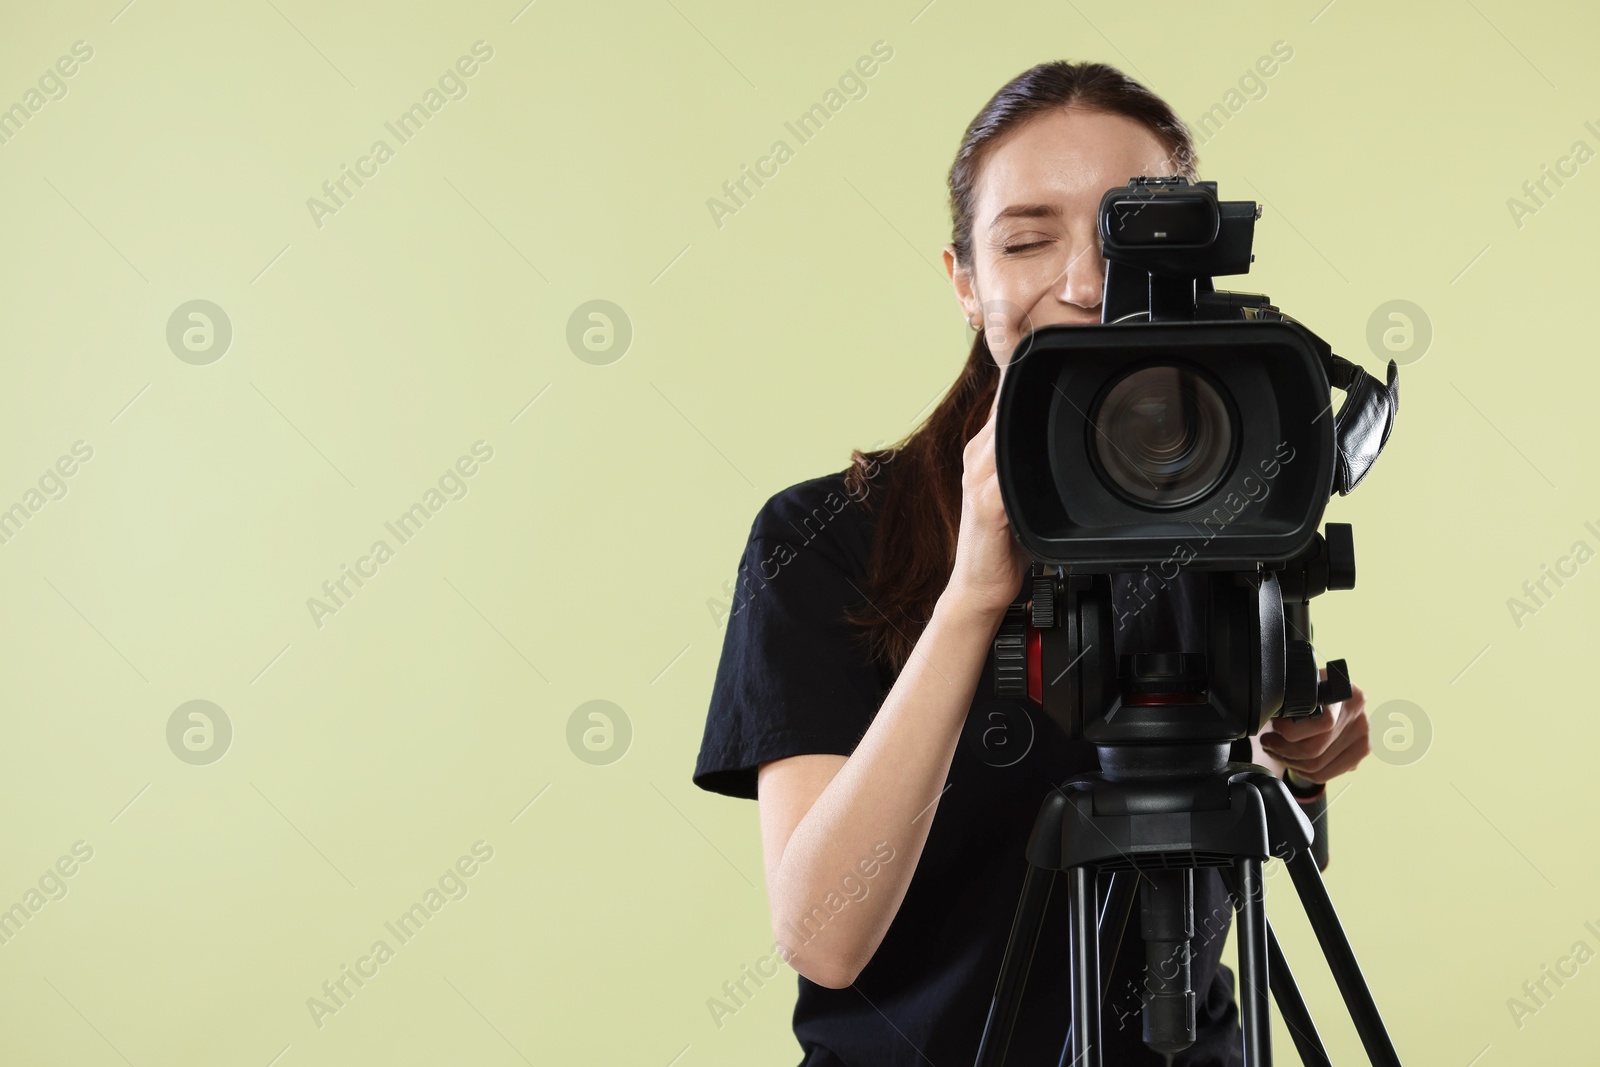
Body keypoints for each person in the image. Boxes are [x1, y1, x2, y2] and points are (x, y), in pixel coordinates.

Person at [693, 60, 1372, 1067]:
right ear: (965, 280)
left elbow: (1233, 847)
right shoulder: (824, 534)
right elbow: (823, 939)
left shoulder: (1231, 493)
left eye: (1123, 237)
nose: (1085, 283)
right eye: (1025, 240)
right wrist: (974, 592)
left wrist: (1293, 761)